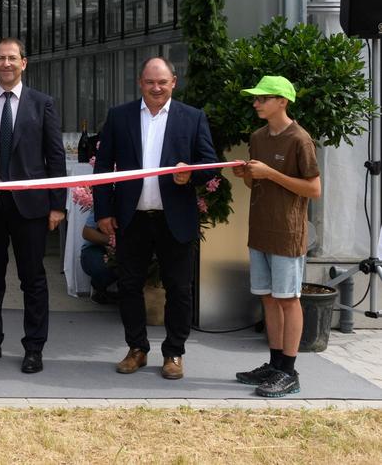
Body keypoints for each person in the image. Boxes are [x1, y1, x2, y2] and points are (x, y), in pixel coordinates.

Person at [93, 56, 217, 380]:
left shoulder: (192, 118)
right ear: (140, 83)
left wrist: (189, 176)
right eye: (150, 82)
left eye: (162, 82)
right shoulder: (119, 117)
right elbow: (103, 168)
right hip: (132, 217)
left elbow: (211, 165)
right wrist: (103, 211)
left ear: (174, 82)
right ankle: (137, 348)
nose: (156, 87)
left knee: (179, 288)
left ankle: (174, 352)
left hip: (174, 219)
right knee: (130, 285)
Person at [0, 38, 66, 374]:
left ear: (24, 63)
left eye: (13, 58)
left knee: (33, 279)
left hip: (32, 208)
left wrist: (58, 205)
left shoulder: (43, 103)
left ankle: (34, 348)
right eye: (1, 58)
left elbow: (55, 156)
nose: (7, 63)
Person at [232, 75, 321, 398]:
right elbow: (256, 186)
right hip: (260, 231)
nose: (256, 103)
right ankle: (274, 364)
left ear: (282, 101)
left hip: (287, 233)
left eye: (262, 98)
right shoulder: (258, 137)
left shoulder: (300, 139)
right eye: (255, 98)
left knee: (288, 299)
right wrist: (247, 176)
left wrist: (270, 173)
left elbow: (314, 189)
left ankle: (289, 371)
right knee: (268, 298)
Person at [81, 214, 119, 304]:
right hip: (97, 247)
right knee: (100, 267)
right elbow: (87, 232)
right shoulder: (106, 202)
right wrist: (111, 241)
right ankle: (100, 289)